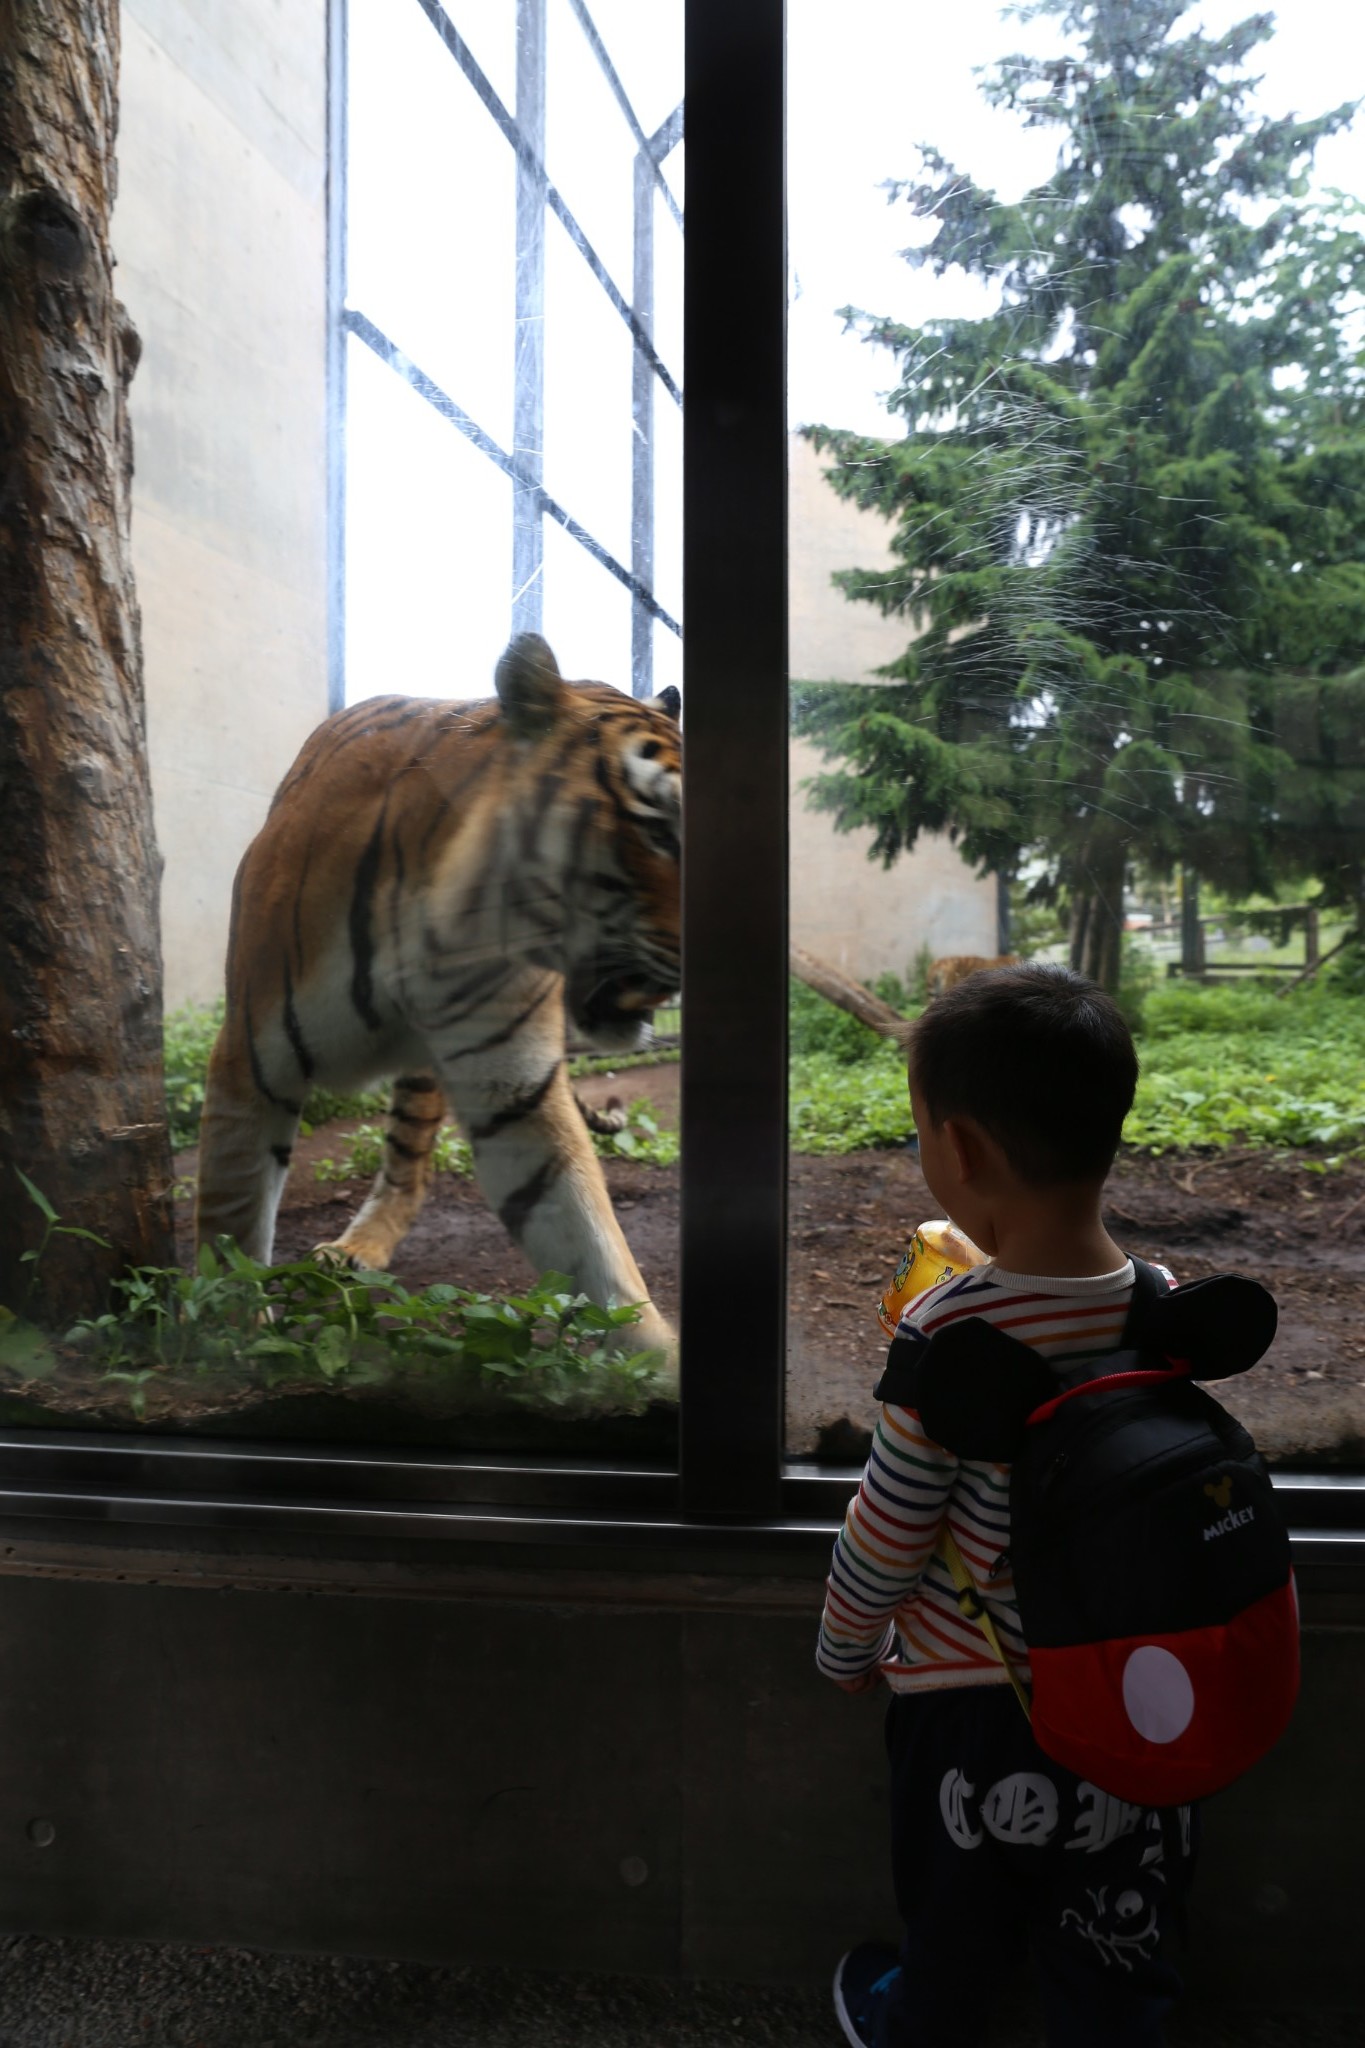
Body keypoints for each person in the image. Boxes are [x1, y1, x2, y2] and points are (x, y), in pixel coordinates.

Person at [818, 963, 1194, 2048]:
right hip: (1139, 1688)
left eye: (921, 1129)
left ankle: (915, 2020)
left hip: (975, 1710)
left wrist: (845, 1649)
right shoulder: (1160, 1302)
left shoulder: (948, 1333)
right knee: (1118, 1928)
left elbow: (885, 1531)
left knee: (954, 1918)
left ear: (962, 1151)